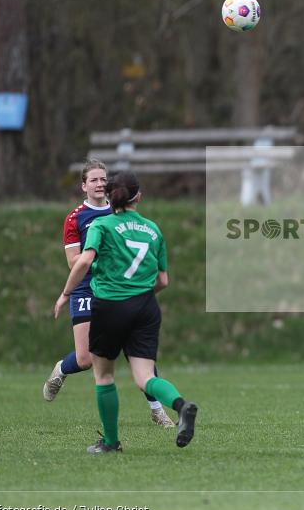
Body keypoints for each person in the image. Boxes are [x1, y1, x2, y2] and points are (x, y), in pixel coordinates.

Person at [53, 171, 199, 453]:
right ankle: (181, 406)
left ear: (110, 196)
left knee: (104, 376)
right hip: (146, 307)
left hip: (110, 306)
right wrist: (139, 295)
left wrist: (65, 294)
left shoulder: (102, 224)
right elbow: (163, 280)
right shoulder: (153, 229)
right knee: (145, 377)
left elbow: (83, 262)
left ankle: (111, 442)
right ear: (138, 197)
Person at [43, 160, 175, 428]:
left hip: (118, 288)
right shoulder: (75, 218)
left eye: (104, 179)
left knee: (137, 352)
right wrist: (104, 258)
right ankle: (61, 369)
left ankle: (157, 410)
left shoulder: (119, 210)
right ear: (83, 186)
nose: (99, 184)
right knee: (85, 359)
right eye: (93, 180)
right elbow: (74, 261)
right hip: (86, 287)